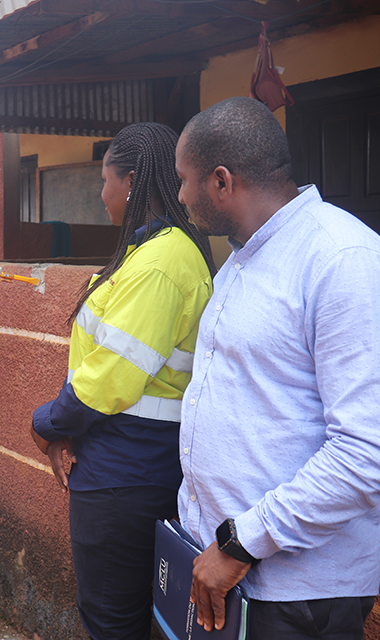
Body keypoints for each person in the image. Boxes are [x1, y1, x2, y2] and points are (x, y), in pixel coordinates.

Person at [176, 96, 380, 639]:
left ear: (222, 181)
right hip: (225, 569)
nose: (179, 197)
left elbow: (365, 453)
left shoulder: (341, 259)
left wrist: (242, 542)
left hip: (298, 593)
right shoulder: (243, 260)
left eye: (185, 181)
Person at [30, 122, 215, 640]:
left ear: (130, 181)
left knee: (111, 617)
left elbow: (110, 378)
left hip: (124, 471)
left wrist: (47, 422)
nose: (101, 195)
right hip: (132, 463)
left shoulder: (158, 263)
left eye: (104, 181)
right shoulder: (155, 249)